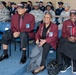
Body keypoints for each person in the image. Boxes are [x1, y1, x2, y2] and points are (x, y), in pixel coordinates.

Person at [57, 9, 76, 74]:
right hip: (68, 39)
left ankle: (74, 64)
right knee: (62, 43)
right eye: (71, 15)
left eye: (74, 15)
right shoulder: (66, 22)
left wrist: (75, 38)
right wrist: (68, 37)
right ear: (69, 16)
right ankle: (67, 63)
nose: (73, 17)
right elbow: (63, 33)